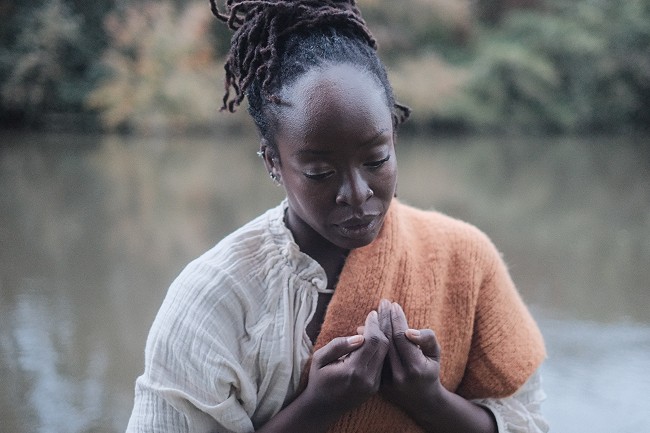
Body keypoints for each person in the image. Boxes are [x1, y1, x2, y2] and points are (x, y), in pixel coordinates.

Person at [125, 1, 548, 432]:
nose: (357, 193)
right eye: (320, 173)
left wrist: (429, 398)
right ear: (273, 162)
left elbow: (528, 421)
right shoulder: (215, 300)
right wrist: (318, 406)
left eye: (376, 160)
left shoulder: (465, 260)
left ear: (394, 135)